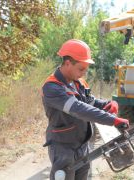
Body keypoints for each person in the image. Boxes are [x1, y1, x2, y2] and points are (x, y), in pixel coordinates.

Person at [41, 39, 129, 180]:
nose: (83, 73)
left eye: (86, 69)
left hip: (83, 144)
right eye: (81, 69)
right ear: (68, 63)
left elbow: (89, 101)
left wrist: (107, 104)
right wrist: (113, 120)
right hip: (63, 147)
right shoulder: (52, 87)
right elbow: (78, 108)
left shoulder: (78, 82)